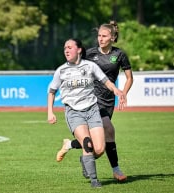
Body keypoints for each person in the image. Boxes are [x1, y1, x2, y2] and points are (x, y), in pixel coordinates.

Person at [56, 21, 133, 182]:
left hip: (108, 101)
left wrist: (123, 93)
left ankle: (70, 145)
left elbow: (129, 78)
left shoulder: (119, 55)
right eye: (99, 36)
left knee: (98, 149)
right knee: (109, 130)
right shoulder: (89, 53)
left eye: (104, 36)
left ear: (112, 37)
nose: (101, 39)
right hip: (90, 100)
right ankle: (116, 170)